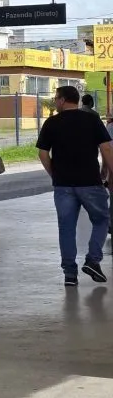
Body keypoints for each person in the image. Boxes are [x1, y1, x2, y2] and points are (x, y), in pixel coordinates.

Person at [36, 85, 113, 286]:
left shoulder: (51, 123)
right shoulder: (92, 119)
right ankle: (93, 260)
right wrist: (108, 169)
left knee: (66, 228)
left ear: (62, 100)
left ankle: (70, 274)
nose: (54, 101)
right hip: (89, 181)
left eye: (55, 98)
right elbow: (105, 148)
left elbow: (43, 153)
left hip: (63, 185)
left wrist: (54, 173)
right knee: (102, 219)